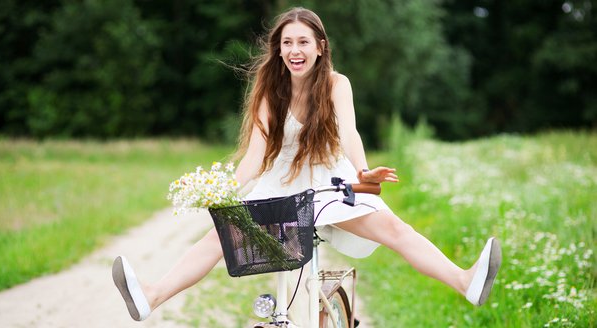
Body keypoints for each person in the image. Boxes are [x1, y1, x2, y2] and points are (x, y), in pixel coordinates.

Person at [112, 7, 502, 322]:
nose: (294, 50)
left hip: (331, 183)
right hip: (281, 186)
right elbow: (255, 153)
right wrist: (223, 191)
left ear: (320, 46)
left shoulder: (336, 84)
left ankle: (465, 281)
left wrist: (363, 172)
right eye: (287, 43)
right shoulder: (270, 90)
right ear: (278, 50)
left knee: (395, 229)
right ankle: (151, 296)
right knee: (219, 235)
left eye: (302, 41)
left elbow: (349, 133)